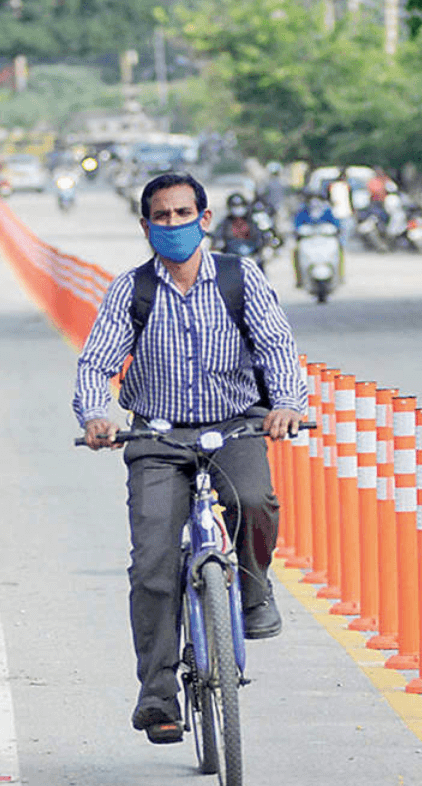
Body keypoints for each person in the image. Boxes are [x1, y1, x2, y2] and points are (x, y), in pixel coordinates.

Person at [73, 173, 308, 744]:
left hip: (235, 426)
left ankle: (254, 590)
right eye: (162, 216)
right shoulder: (131, 291)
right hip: (156, 437)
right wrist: (96, 416)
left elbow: (276, 345)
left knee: (255, 500)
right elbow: (95, 364)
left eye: (184, 214)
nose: (174, 224)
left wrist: (286, 405)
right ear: (146, 226)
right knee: (152, 564)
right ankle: (157, 696)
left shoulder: (239, 277)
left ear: (204, 219)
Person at [292, 191, 344, 288]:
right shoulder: (303, 212)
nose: (315, 202)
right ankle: (299, 278)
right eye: (312, 199)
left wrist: (336, 230)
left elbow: (336, 224)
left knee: (340, 248)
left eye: (318, 199)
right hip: (309, 240)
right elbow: (296, 225)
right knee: (295, 251)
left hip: (325, 239)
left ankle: (340, 274)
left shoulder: (327, 211)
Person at [209, 191, 268, 264]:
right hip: (231, 257)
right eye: (235, 206)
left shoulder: (252, 221)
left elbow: (260, 235)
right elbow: (218, 235)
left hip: (251, 255)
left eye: (240, 206)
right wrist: (218, 242)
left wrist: (262, 245)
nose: (238, 209)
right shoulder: (226, 222)